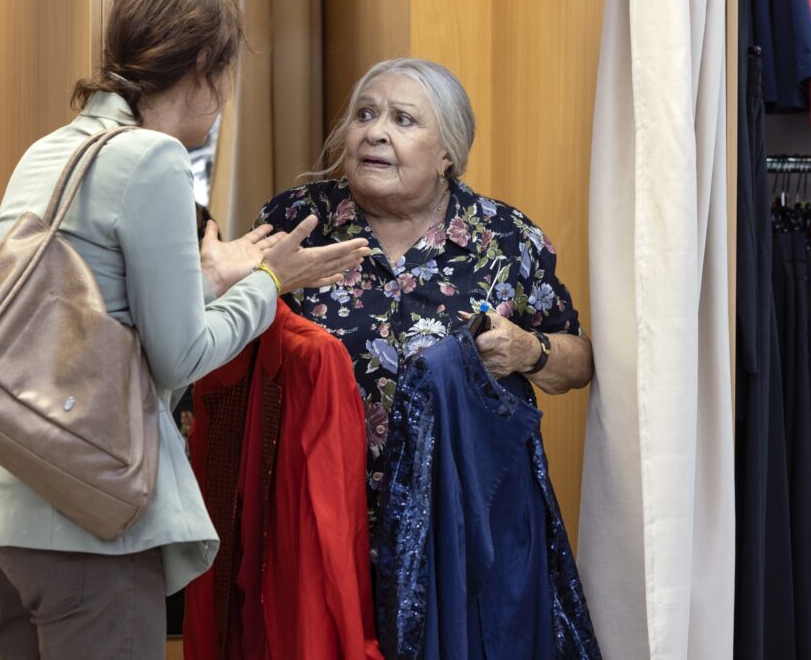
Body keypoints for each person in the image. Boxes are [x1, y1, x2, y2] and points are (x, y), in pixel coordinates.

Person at [0, 0, 370, 660]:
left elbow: (90, 302)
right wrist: (272, 280)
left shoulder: (50, 151)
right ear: (206, 65)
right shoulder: (150, 157)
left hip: (1, 507)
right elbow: (182, 355)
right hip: (87, 513)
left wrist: (211, 274)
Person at [256, 58, 598, 656]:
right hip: (319, 522)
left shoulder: (505, 239)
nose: (375, 132)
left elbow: (579, 361)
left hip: (456, 530)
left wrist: (528, 351)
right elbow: (239, 341)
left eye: (402, 119)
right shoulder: (297, 222)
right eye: (365, 114)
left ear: (447, 152)